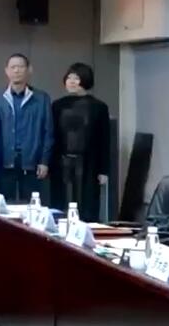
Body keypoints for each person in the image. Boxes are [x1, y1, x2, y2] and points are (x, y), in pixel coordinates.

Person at [51, 63, 110, 221]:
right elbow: (52, 136)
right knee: (61, 205)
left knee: (87, 206)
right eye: (69, 78)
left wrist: (104, 170)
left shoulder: (99, 107)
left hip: (89, 163)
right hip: (61, 162)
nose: (71, 81)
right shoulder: (57, 105)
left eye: (76, 78)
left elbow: (104, 139)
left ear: (85, 80)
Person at [0, 53, 53, 202]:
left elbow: (48, 131)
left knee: (32, 205)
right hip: (4, 161)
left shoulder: (41, 98)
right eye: (13, 67)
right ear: (6, 71)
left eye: (20, 67)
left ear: (29, 70)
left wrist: (44, 161)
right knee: (4, 206)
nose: (16, 70)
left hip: (32, 162)